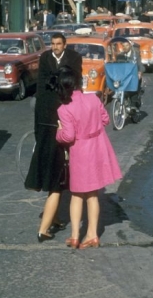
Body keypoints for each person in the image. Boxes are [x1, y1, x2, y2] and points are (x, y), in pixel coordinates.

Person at [54, 66, 122, 249]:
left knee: (76, 195)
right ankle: (92, 234)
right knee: (92, 195)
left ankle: (75, 236)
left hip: (80, 151)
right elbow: (105, 120)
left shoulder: (64, 109)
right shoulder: (93, 99)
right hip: (97, 148)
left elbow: (68, 136)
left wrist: (59, 133)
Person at [25, 32, 82, 241]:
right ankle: (49, 221)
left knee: (61, 170)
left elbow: (74, 83)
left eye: (59, 44)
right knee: (55, 169)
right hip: (48, 118)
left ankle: (54, 216)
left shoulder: (74, 57)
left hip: (65, 110)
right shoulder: (45, 58)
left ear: (65, 45)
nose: (55, 47)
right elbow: (42, 87)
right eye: (53, 44)